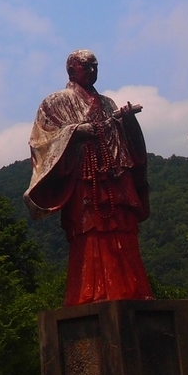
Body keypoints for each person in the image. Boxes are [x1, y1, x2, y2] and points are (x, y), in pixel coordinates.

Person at [25, 50, 153, 306]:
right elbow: (41, 141)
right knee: (89, 230)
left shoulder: (107, 103)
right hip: (84, 178)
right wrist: (75, 132)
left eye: (96, 66)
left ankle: (132, 289)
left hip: (114, 174)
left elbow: (124, 142)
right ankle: (90, 292)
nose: (93, 71)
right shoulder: (56, 102)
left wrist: (125, 121)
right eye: (87, 66)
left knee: (123, 226)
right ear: (72, 71)